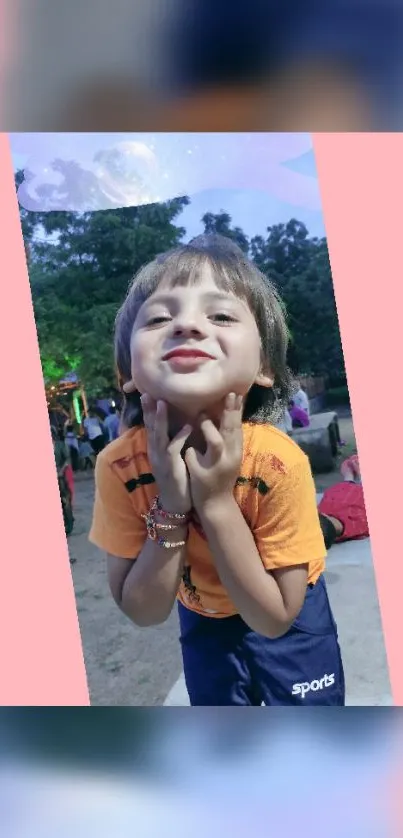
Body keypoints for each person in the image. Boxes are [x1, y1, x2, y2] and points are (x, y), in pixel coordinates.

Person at [89, 234, 344, 706]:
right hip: (202, 611)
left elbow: (274, 618)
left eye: (220, 315)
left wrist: (215, 503)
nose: (187, 324)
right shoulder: (119, 465)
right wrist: (170, 507)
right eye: (161, 317)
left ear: (264, 365)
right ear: (127, 369)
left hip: (289, 610)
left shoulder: (277, 461)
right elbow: (143, 611)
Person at [318, 454, 368, 549]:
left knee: (337, 495)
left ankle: (349, 478)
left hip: (339, 492)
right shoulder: (359, 522)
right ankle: (354, 477)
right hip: (357, 494)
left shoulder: (326, 530)